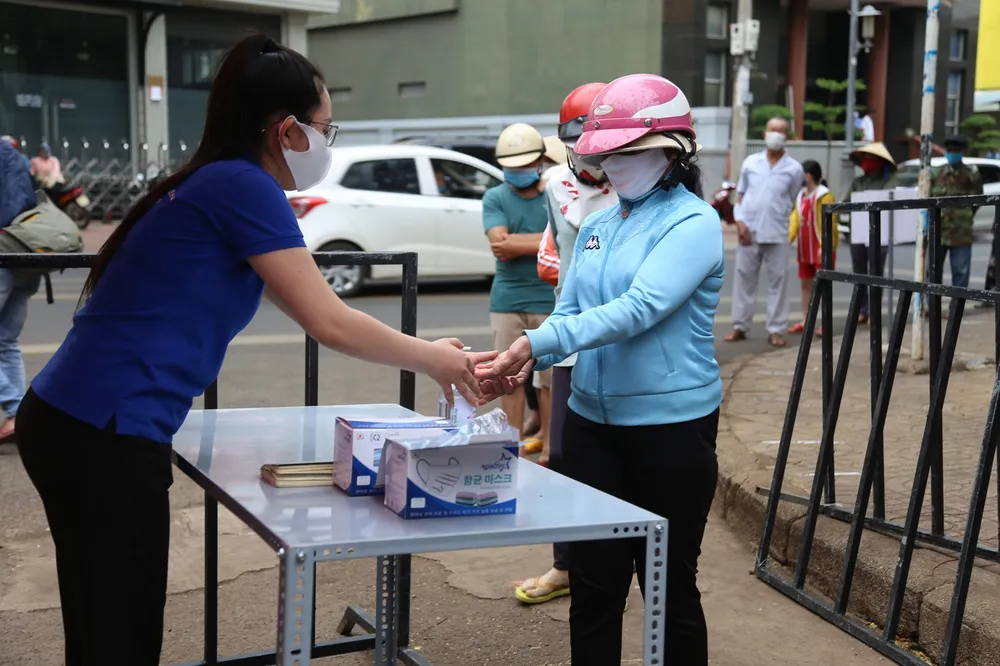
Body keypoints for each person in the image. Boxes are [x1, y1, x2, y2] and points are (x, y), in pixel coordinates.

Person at [15, 35, 509, 665]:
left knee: (101, 620)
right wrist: (438, 360)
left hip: (73, 419)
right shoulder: (244, 188)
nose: (329, 142)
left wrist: (423, 348)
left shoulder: (214, 182)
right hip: (102, 432)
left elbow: (306, 304)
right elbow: (330, 321)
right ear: (287, 130)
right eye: (327, 128)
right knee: (121, 632)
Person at [488, 73, 723, 666]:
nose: (615, 164)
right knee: (594, 584)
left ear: (672, 150)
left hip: (671, 430)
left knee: (668, 586)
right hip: (591, 424)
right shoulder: (597, 226)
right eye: (607, 153)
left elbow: (640, 308)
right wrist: (527, 355)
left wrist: (539, 341)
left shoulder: (693, 224)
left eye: (631, 151)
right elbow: (569, 308)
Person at [515, 81, 619, 606]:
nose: (590, 152)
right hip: (573, 336)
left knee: (626, 459)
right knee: (563, 454)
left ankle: (623, 565)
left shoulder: (636, 182)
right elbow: (563, 257)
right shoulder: (556, 182)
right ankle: (566, 564)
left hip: (625, 338)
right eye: (578, 139)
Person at [483, 123, 556, 454]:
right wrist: (543, 241)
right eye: (511, 167)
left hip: (548, 297)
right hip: (507, 300)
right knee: (508, 378)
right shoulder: (495, 197)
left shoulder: (555, 194)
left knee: (551, 381)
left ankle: (550, 449)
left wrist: (518, 242)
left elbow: (561, 243)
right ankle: (508, 450)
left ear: (540, 161)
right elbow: (499, 245)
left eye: (524, 165)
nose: (518, 172)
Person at [724, 117, 804, 347]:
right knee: (743, 279)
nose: (776, 134)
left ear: (787, 136)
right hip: (748, 229)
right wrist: (739, 222)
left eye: (781, 131)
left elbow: (791, 200)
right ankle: (739, 326)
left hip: (777, 230)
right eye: (772, 130)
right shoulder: (751, 163)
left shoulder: (794, 169)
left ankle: (776, 329)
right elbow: (740, 197)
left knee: (778, 281)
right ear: (764, 133)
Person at [0, 136, 41, 441]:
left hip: (2, 249)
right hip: (24, 250)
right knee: (6, 340)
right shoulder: (17, 158)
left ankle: (16, 410)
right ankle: (15, 414)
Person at [843, 141, 897, 323]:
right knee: (859, 273)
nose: (867, 162)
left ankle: (873, 311)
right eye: (864, 159)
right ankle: (861, 309)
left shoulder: (888, 181)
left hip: (879, 233)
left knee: (876, 272)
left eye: (871, 159)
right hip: (858, 232)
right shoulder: (857, 182)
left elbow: (892, 201)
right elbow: (845, 203)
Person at [788, 159, 837, 337]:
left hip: (819, 246)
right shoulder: (801, 196)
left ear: (808, 175)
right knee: (805, 285)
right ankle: (806, 319)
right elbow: (795, 218)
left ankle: (826, 322)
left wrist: (825, 245)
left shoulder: (825, 196)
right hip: (804, 247)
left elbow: (829, 222)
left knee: (823, 285)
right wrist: (789, 237)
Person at [929, 135, 983, 288]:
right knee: (932, 271)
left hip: (961, 232)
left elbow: (977, 200)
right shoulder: (935, 173)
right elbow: (928, 199)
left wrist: (963, 215)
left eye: (956, 150)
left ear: (962, 151)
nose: (952, 153)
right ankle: (931, 305)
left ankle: (955, 309)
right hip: (938, 230)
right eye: (949, 150)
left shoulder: (971, 174)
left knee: (960, 272)